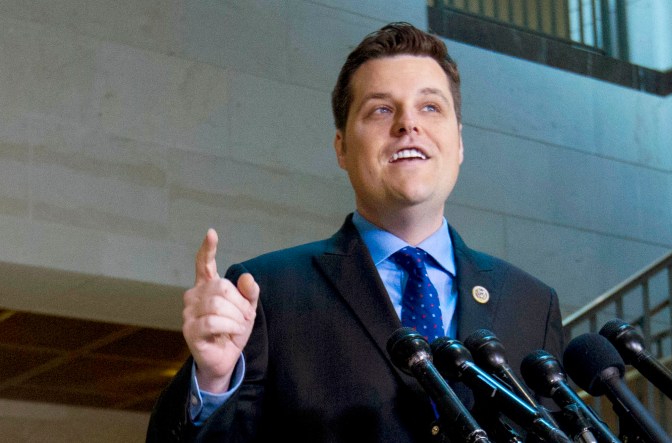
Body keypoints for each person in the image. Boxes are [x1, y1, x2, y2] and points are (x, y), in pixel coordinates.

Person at [146, 22, 564, 442]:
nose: (407, 124)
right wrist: (215, 383)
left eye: (430, 107)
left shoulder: (531, 303)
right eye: (381, 109)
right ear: (342, 147)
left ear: (458, 143)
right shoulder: (267, 293)